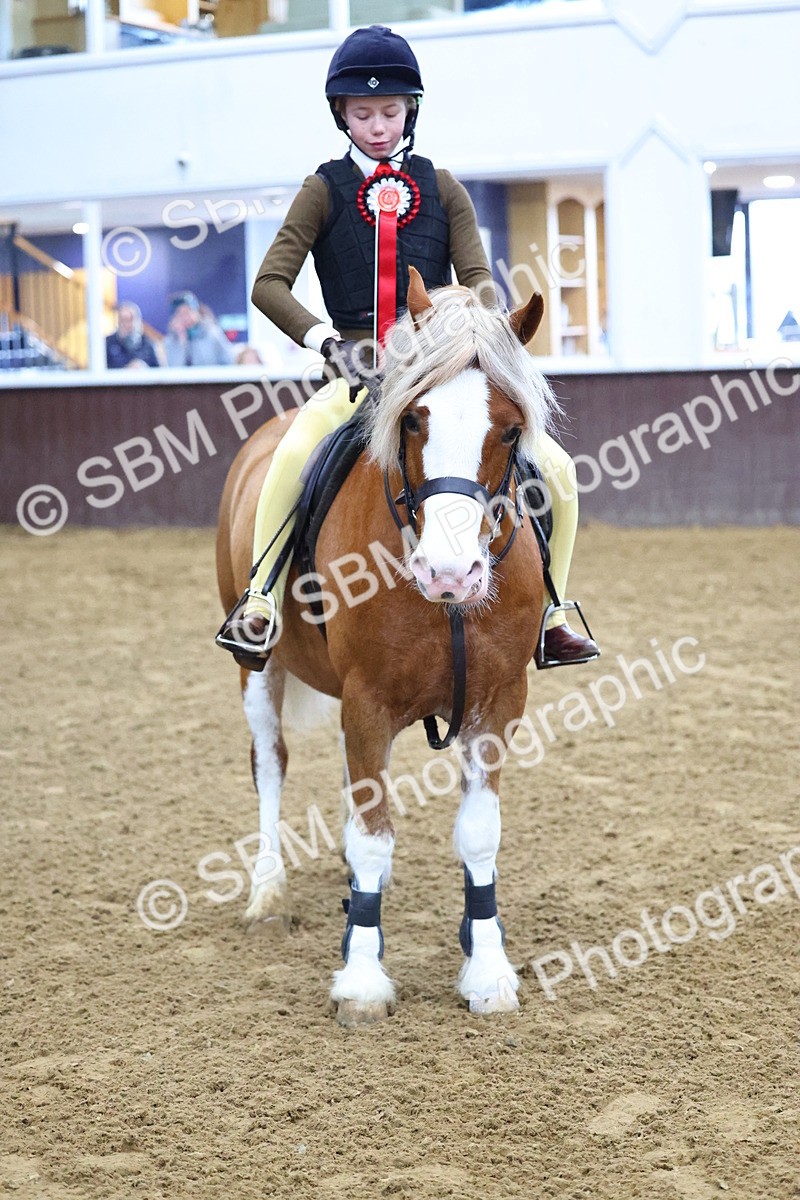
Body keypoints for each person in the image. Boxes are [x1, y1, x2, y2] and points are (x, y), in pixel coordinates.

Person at [216, 24, 598, 669]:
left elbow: (477, 278)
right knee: (294, 454)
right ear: (341, 114)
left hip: (437, 370)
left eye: (389, 112)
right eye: (362, 113)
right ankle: (258, 598)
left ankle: (554, 613)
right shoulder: (324, 189)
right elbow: (268, 283)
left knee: (556, 470)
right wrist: (327, 342)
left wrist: (470, 328)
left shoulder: (442, 187)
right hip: (359, 371)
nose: (377, 125)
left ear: (410, 112)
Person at [163, 291, 235, 367]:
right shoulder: (170, 341)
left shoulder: (212, 333)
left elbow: (229, 360)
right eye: (180, 313)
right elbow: (174, 369)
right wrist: (182, 340)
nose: (185, 316)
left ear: (196, 312)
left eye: (188, 311)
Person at [106, 301, 161, 369]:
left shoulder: (148, 344)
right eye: (123, 320)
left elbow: (158, 371)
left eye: (130, 319)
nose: (126, 324)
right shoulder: (108, 343)